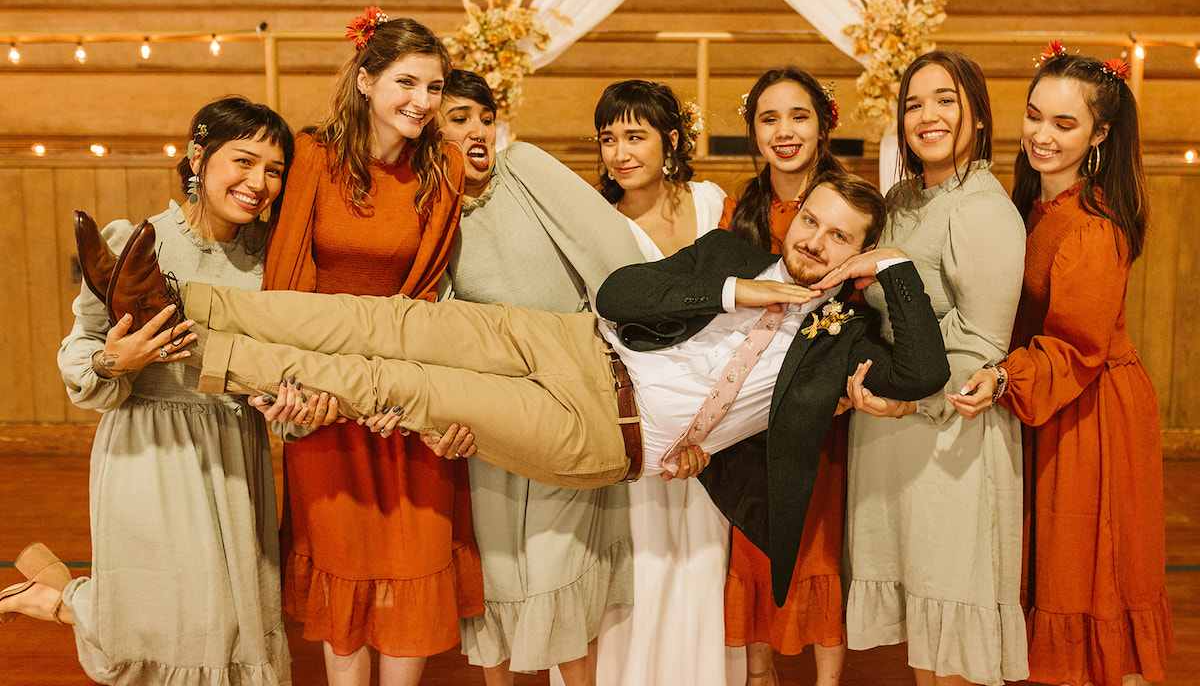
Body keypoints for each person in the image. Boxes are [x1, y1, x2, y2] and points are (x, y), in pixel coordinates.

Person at [91, 172, 950, 604]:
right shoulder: (730, 254)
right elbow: (621, 296)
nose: (816, 242)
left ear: (857, 257)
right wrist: (741, 291)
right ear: (791, 217)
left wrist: (897, 267)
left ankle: (181, 349)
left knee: (393, 383)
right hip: (575, 341)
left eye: (842, 239)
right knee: (391, 323)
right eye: (813, 222)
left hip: (604, 433)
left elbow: (924, 372)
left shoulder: (846, 344)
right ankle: (169, 298)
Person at [0, 96, 294, 685]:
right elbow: (83, 349)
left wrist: (288, 404)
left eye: (274, 170)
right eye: (243, 161)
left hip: (235, 446)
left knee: (235, 617)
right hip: (148, 444)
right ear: (197, 158)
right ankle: (68, 601)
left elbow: (292, 361)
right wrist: (118, 358)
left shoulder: (276, 259)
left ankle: (60, 596)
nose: (258, 182)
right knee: (157, 617)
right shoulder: (135, 244)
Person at [263, 9, 482, 686]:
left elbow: (429, 290)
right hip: (325, 397)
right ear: (365, 79)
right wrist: (300, 386)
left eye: (435, 87)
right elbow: (285, 282)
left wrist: (405, 393)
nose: (422, 101)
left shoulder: (443, 164)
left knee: (412, 561)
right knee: (347, 564)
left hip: (402, 394)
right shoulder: (311, 156)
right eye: (406, 82)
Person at [948, 48, 1175, 686]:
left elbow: (1077, 346)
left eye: (1065, 124)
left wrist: (1001, 378)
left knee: (1088, 568)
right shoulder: (1034, 206)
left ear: (1100, 134)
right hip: (1051, 401)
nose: (1042, 135)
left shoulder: (1094, 225)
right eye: (1034, 116)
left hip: (1091, 410)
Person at [828, 49, 1029, 686]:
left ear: (978, 112)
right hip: (892, 440)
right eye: (914, 103)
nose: (928, 115)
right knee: (925, 648)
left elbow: (980, 343)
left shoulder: (982, 207)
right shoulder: (902, 198)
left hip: (950, 442)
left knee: (957, 651)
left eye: (945, 99)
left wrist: (911, 403)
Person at [434, 69, 641, 685]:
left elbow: (611, 250)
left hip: (571, 389)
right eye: (458, 118)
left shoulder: (523, 166)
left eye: (484, 116)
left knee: (560, 562)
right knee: (497, 566)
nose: (477, 131)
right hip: (491, 399)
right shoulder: (428, 206)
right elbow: (434, 308)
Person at [591, 78, 739, 686]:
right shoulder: (599, 222)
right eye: (608, 138)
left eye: (635, 135)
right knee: (643, 556)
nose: (620, 152)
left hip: (712, 415)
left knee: (703, 554)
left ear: (670, 140)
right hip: (638, 416)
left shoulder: (710, 201)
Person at [717, 67, 848, 686]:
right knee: (753, 533)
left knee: (816, 539)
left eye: (798, 116)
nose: (785, 131)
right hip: (749, 403)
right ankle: (758, 673)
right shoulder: (737, 209)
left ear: (823, 124)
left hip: (820, 399)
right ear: (753, 132)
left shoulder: (848, 200)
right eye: (769, 118)